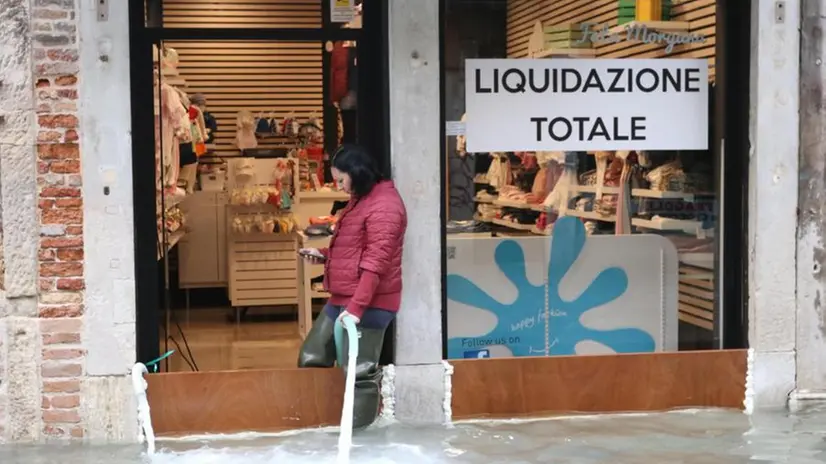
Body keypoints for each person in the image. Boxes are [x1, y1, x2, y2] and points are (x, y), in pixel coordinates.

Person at [298, 143, 407, 429]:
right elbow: (357, 251)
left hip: (370, 302)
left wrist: (357, 308)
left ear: (356, 173)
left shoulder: (384, 205)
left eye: (341, 179)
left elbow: (375, 264)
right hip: (345, 298)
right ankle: (322, 425)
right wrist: (324, 256)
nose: (339, 185)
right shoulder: (362, 199)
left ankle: (361, 441)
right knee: (312, 356)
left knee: (359, 371)